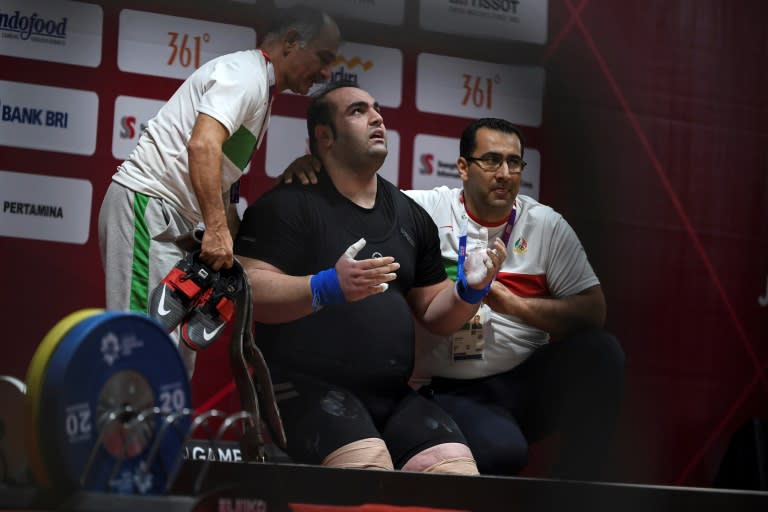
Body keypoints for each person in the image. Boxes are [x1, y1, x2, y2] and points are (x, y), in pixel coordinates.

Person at [282, 118, 626, 481]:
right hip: (448, 386)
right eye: (491, 160)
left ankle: (577, 492)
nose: (505, 173)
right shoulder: (424, 209)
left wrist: (512, 304)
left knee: (600, 353)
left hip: (519, 378)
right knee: (503, 452)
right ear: (462, 167)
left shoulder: (546, 226)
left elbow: (592, 311)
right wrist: (314, 173)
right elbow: (356, 200)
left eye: (514, 162)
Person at [232, 82, 507, 474]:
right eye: (358, 111)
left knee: (456, 477)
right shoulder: (286, 205)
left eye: (377, 109)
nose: (378, 117)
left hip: (390, 394)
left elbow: (434, 312)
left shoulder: (411, 216)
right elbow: (249, 289)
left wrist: (469, 290)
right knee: (368, 473)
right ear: (324, 136)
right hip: (302, 388)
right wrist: (327, 285)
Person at [97, 6, 340, 373]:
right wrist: (214, 228)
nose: (327, 72)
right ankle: (115, 429)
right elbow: (203, 146)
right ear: (291, 41)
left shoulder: (261, 88)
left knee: (175, 357)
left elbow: (223, 175)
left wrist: (237, 224)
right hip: (151, 208)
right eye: (322, 58)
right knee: (144, 347)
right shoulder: (246, 75)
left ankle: (157, 430)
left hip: (173, 218)